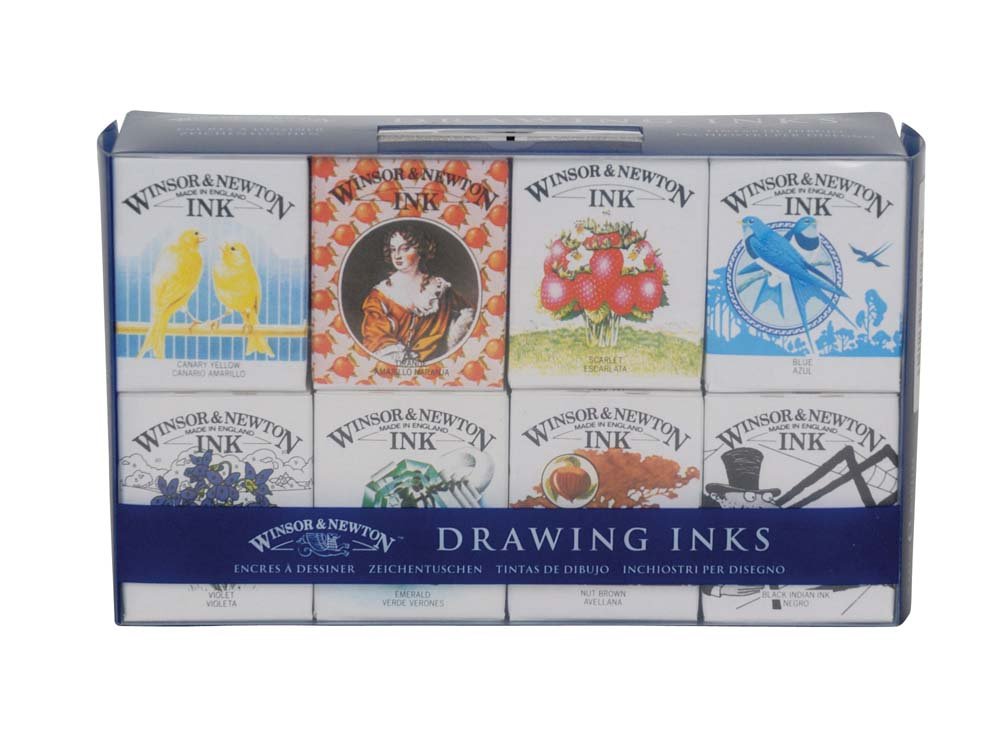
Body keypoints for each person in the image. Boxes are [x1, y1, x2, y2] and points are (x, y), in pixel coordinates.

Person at [360, 224, 474, 364]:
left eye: (405, 249)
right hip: (392, 366)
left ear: (420, 250)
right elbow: (375, 336)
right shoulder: (380, 295)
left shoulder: (440, 290)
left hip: (434, 366)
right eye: (393, 249)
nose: (397, 255)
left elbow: (467, 316)